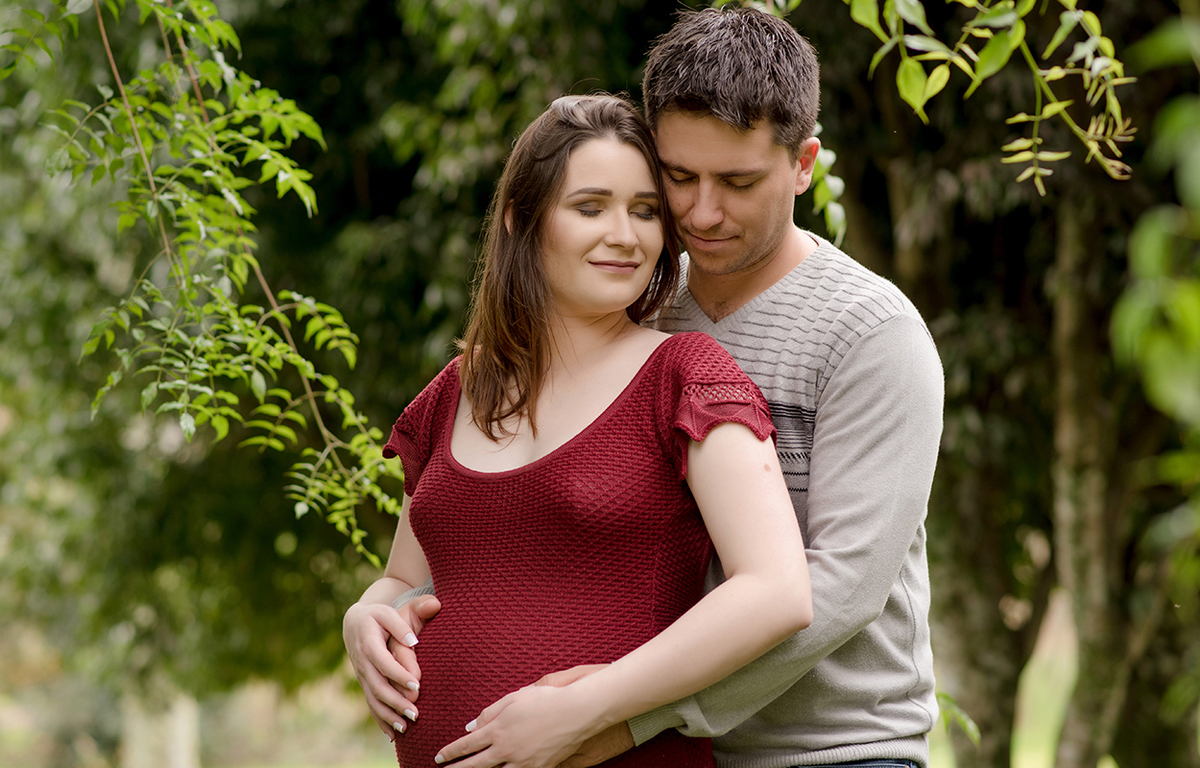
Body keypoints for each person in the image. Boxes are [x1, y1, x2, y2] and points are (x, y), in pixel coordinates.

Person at [383, 7, 946, 768]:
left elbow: (838, 588)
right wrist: (373, 608)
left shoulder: (871, 335)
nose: (701, 213)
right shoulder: (632, 301)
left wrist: (624, 718)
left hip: (825, 749)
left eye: (737, 182)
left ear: (804, 162)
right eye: (677, 180)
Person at [341, 93, 813, 768]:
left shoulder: (684, 376)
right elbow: (404, 578)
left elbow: (777, 591)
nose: (625, 234)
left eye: (645, 211)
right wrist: (364, 614)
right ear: (520, 220)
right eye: (591, 207)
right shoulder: (454, 391)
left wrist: (584, 710)